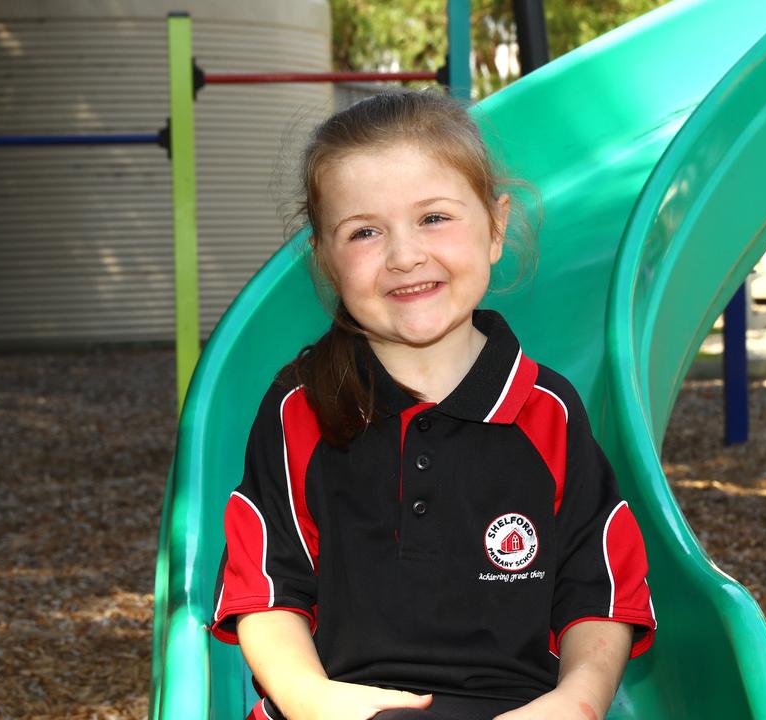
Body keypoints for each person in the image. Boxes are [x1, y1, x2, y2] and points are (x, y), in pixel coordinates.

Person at [210, 90, 655, 720]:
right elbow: (267, 588)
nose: (404, 255)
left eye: (434, 218)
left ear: (496, 226)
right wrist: (314, 700)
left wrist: (576, 702)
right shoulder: (300, 409)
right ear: (326, 262)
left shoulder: (548, 412)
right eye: (364, 231)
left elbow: (598, 591)